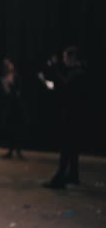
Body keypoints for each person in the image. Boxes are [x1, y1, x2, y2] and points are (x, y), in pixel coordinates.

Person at [42, 46, 87, 189]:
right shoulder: (78, 71)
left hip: (73, 115)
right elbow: (64, 86)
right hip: (76, 114)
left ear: (72, 58)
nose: (64, 60)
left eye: (65, 58)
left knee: (67, 146)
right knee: (72, 147)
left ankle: (60, 178)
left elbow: (65, 84)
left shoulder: (77, 72)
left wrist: (55, 67)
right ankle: (73, 176)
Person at [0, 58, 27, 159]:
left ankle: (19, 151)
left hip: (17, 106)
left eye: (9, 64)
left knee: (18, 129)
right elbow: (5, 93)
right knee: (10, 129)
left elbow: (18, 91)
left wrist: (11, 84)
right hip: (9, 106)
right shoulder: (4, 77)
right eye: (6, 65)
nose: (8, 66)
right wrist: (6, 84)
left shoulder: (16, 76)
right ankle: (10, 151)